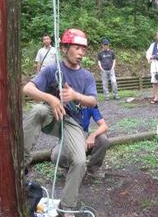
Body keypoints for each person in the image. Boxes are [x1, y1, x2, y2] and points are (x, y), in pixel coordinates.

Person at [23, 28, 97, 217]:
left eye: (83, 49)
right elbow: (28, 88)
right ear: (65, 49)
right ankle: (21, 163)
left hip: (73, 121)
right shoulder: (52, 69)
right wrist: (51, 98)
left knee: (80, 162)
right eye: (77, 48)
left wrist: (75, 95)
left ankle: (67, 207)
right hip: (52, 114)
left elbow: (93, 101)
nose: (81, 52)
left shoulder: (86, 76)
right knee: (38, 109)